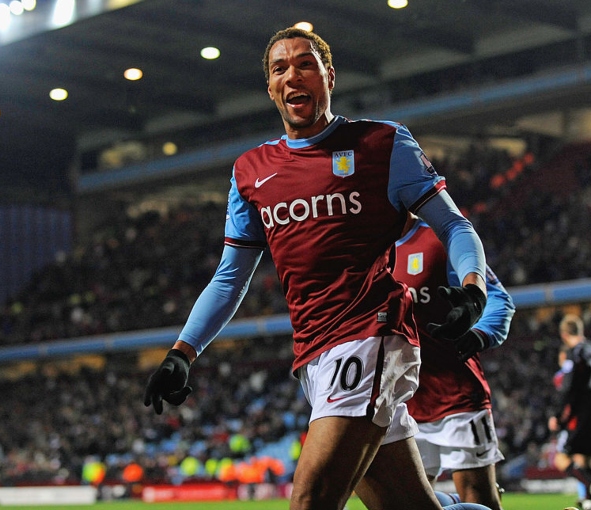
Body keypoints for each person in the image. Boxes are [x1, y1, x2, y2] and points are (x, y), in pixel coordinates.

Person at [143, 27, 492, 510]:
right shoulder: (251, 171)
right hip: (313, 353)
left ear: (329, 75)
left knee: (309, 501)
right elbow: (230, 276)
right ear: (269, 87)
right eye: (279, 68)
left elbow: (454, 225)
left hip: (371, 336)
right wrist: (183, 352)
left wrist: (474, 289)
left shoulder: (382, 144)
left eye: (305, 64)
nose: (292, 75)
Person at [392, 214, 515, 510]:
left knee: (479, 498)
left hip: (456, 396)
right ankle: (452, 503)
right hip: (401, 401)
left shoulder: (440, 241)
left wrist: (479, 334)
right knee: (409, 503)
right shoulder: (368, 246)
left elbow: (498, 298)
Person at [548, 314, 591, 510]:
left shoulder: (575, 354)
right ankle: (590, 502)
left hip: (581, 413)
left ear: (564, 334)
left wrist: (558, 415)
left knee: (561, 459)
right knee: (582, 459)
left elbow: (568, 388)